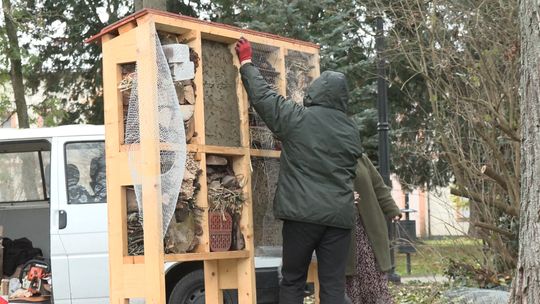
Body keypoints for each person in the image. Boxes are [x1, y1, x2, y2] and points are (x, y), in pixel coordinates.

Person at [235, 37, 363, 304]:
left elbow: (264, 98)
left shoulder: (298, 119)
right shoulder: (351, 130)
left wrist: (246, 62)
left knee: (293, 280)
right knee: (333, 286)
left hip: (302, 216)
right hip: (338, 219)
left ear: (316, 93)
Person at [345, 154, 402, 304]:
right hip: (345, 230)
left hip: (370, 227)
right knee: (352, 283)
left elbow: (379, 186)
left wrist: (392, 210)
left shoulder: (360, 158)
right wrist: (343, 196)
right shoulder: (326, 158)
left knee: (374, 279)